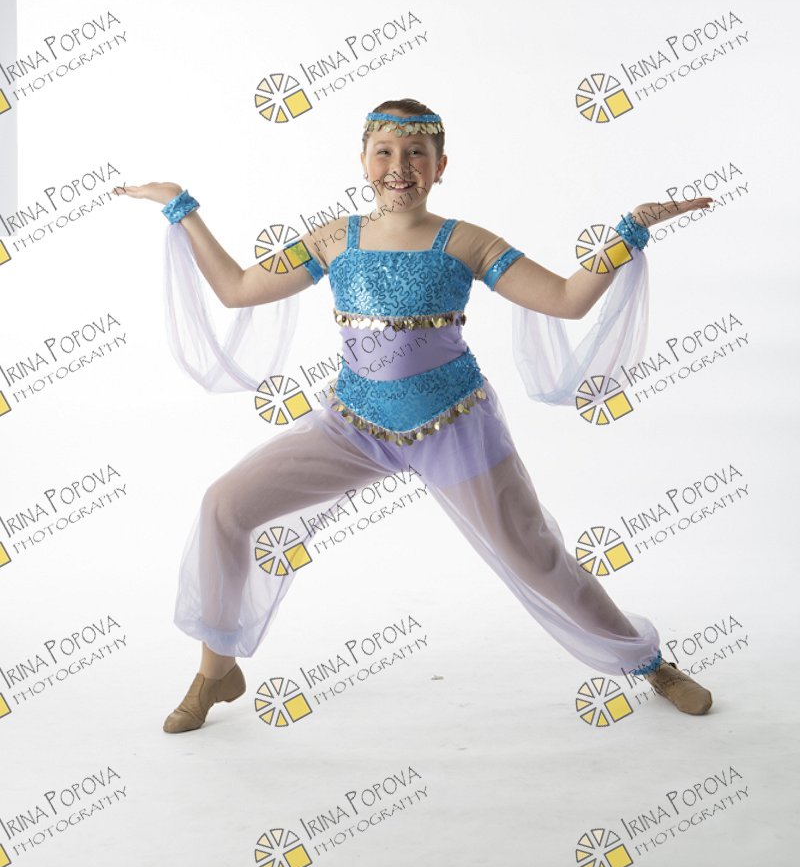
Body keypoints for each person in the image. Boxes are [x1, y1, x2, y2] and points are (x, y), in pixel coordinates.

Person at [113, 98, 715, 732]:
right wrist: (181, 207)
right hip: (354, 426)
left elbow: (566, 300)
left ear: (440, 166)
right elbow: (237, 288)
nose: (399, 167)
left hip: (455, 425)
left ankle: (649, 664)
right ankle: (216, 670)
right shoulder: (334, 239)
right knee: (225, 504)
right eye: (385, 152)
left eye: (416, 154)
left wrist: (629, 233)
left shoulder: (468, 241)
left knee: (533, 555)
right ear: (363, 161)